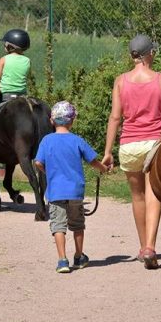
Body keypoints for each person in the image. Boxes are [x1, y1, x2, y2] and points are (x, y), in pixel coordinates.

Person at [102, 34, 161, 270]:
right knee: (154, 194)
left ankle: (143, 247)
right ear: (150, 53)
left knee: (137, 197)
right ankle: (151, 246)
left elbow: (114, 117)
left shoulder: (120, 81)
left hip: (129, 144)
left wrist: (108, 151)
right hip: (154, 143)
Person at [34, 101, 109, 273]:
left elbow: (38, 162)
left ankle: (62, 260)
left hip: (55, 192)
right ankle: (79, 256)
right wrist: (104, 168)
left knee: (58, 226)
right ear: (72, 121)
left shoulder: (47, 140)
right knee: (77, 224)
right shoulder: (77, 140)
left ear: (52, 121)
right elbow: (93, 161)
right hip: (75, 191)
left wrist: (48, 172)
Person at [0, 29, 31, 101]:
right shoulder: (27, 60)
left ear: (10, 46)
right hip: (22, 95)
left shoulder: (4, 59)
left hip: (5, 95)